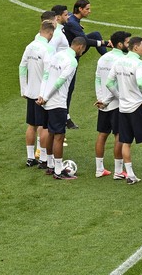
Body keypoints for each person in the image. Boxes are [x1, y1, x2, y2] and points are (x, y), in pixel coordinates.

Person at [100, 36, 142, 185]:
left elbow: (109, 83)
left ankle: (130, 175)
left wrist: (121, 97)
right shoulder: (139, 63)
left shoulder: (118, 62)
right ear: (136, 47)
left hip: (123, 108)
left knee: (125, 141)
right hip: (137, 107)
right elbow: (141, 83)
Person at [38, 37, 87, 180]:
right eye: (83, 50)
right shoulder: (72, 61)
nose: (82, 52)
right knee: (59, 136)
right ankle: (58, 172)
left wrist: (42, 95)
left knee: (50, 133)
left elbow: (46, 75)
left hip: (46, 102)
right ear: (79, 47)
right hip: (57, 102)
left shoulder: (57, 56)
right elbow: (60, 82)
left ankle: (50, 165)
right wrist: (46, 96)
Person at [64, 0, 111, 129]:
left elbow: (66, 13)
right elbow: (84, 41)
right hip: (72, 56)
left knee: (95, 34)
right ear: (80, 9)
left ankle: (108, 59)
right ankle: (65, 117)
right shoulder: (73, 23)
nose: (90, 11)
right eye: (87, 9)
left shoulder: (71, 19)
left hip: (74, 51)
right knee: (69, 88)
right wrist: (105, 43)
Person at [94, 31, 130, 179]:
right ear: (120, 44)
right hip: (116, 102)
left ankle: (99, 169)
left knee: (102, 134)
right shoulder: (122, 60)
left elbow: (97, 79)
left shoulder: (103, 58)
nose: (130, 45)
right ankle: (118, 171)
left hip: (103, 102)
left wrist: (101, 98)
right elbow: (115, 84)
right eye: (128, 42)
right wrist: (109, 99)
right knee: (119, 135)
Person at [20, 20, 55, 167]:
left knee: (32, 125)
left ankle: (30, 157)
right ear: (50, 33)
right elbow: (48, 73)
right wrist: (44, 94)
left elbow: (22, 66)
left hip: (30, 92)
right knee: (45, 126)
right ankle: (43, 158)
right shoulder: (48, 49)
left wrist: (24, 88)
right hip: (42, 95)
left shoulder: (30, 46)